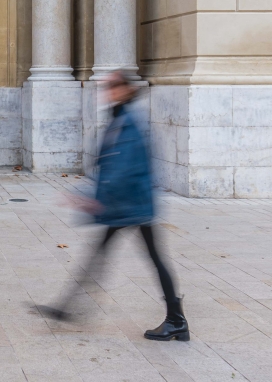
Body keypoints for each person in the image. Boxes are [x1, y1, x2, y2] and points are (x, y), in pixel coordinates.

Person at [40, 70, 188, 341]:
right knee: (107, 256)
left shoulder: (128, 123)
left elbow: (120, 170)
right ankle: (67, 307)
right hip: (128, 204)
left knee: (149, 259)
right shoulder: (121, 119)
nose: (106, 92)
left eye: (110, 87)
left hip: (131, 205)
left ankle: (176, 320)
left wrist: (93, 198)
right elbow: (111, 166)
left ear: (123, 90)